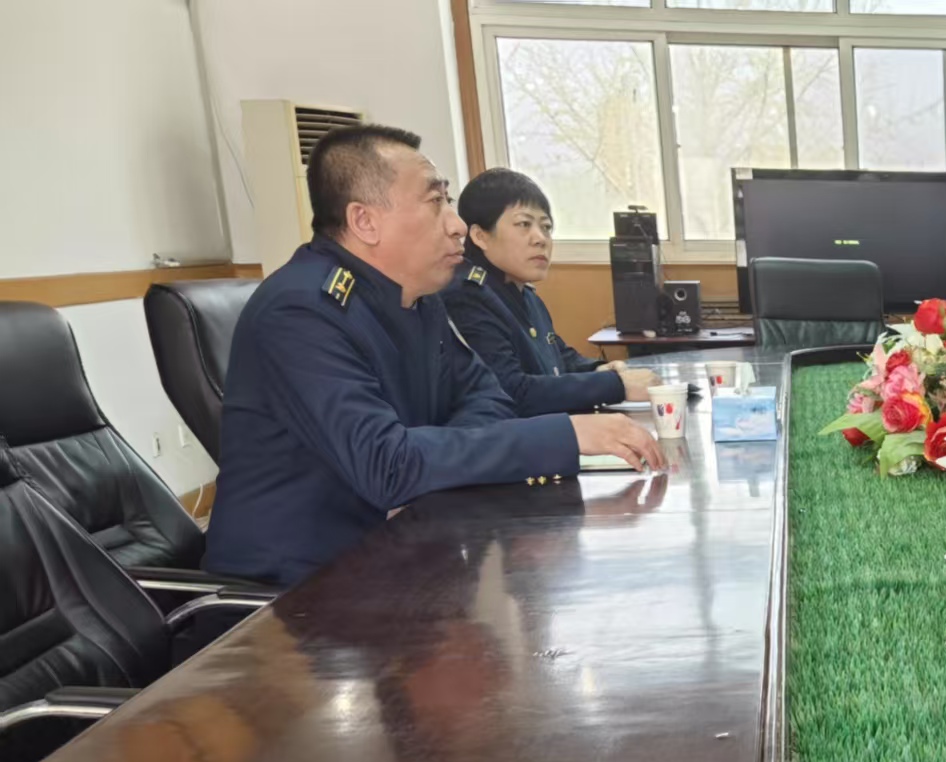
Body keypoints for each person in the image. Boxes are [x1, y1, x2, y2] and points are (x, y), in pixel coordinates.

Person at [205, 125, 662, 587]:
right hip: (299, 589)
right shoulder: (303, 312)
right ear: (365, 221)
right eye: (435, 201)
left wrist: (426, 465)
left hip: (403, 554)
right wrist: (564, 435)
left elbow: (488, 396)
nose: (457, 224)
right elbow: (387, 465)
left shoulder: (418, 298)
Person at [443, 168, 656, 416]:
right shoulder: (468, 296)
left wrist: (601, 370)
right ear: (480, 236)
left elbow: (560, 357)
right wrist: (615, 385)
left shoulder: (524, 293)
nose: (540, 239)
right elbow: (510, 391)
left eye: (546, 227)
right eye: (524, 224)